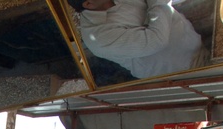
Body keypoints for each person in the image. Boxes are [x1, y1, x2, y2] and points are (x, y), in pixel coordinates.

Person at [70, 0, 207, 81]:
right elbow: (156, 41)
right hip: (186, 71)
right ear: (88, 3)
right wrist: (158, 3)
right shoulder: (99, 38)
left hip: (197, 42)